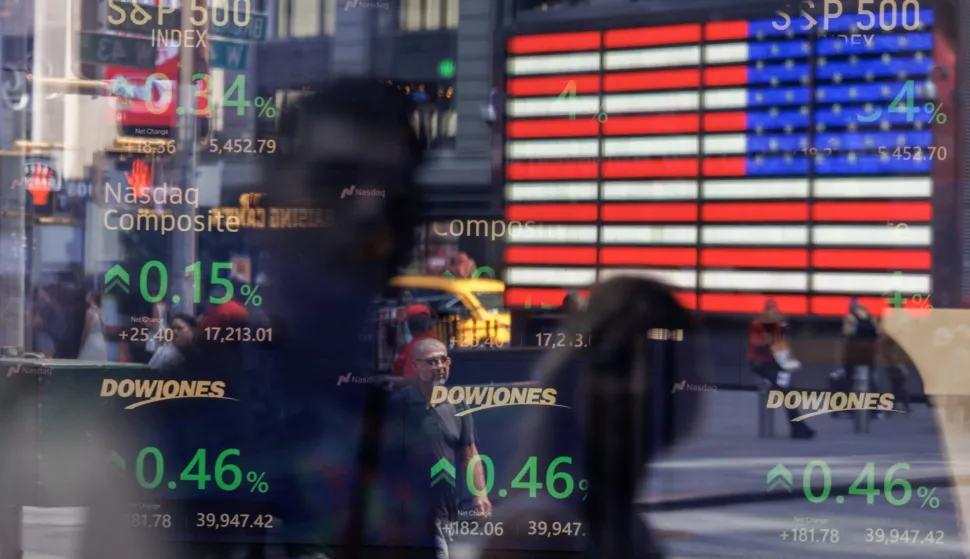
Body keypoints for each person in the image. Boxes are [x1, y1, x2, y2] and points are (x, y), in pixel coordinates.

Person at [386, 337, 492, 558]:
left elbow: (469, 453)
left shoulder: (458, 403)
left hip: (448, 510)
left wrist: (480, 493)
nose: (440, 367)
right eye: (432, 361)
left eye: (444, 360)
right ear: (417, 366)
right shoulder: (400, 405)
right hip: (412, 515)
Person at [748, 299, 815, 439]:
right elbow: (759, 345)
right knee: (786, 391)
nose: (775, 312)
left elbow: (781, 347)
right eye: (772, 310)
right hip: (760, 363)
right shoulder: (757, 324)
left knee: (788, 392)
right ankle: (799, 427)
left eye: (776, 310)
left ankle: (798, 427)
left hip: (775, 364)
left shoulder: (778, 325)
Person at [842, 298, 882, 418]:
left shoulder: (850, 318)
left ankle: (850, 408)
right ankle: (874, 409)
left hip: (853, 352)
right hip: (869, 353)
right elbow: (879, 333)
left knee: (850, 379)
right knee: (871, 379)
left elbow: (846, 333)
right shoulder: (872, 319)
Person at [392, 303, 437, 379]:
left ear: (410, 324)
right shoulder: (433, 339)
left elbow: (410, 380)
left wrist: (386, 379)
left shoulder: (416, 346)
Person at [77, 292, 107, 361]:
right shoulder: (101, 312)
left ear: (92, 299)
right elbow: (104, 330)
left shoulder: (90, 312)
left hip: (92, 341)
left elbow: (86, 329)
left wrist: (83, 341)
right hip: (101, 341)